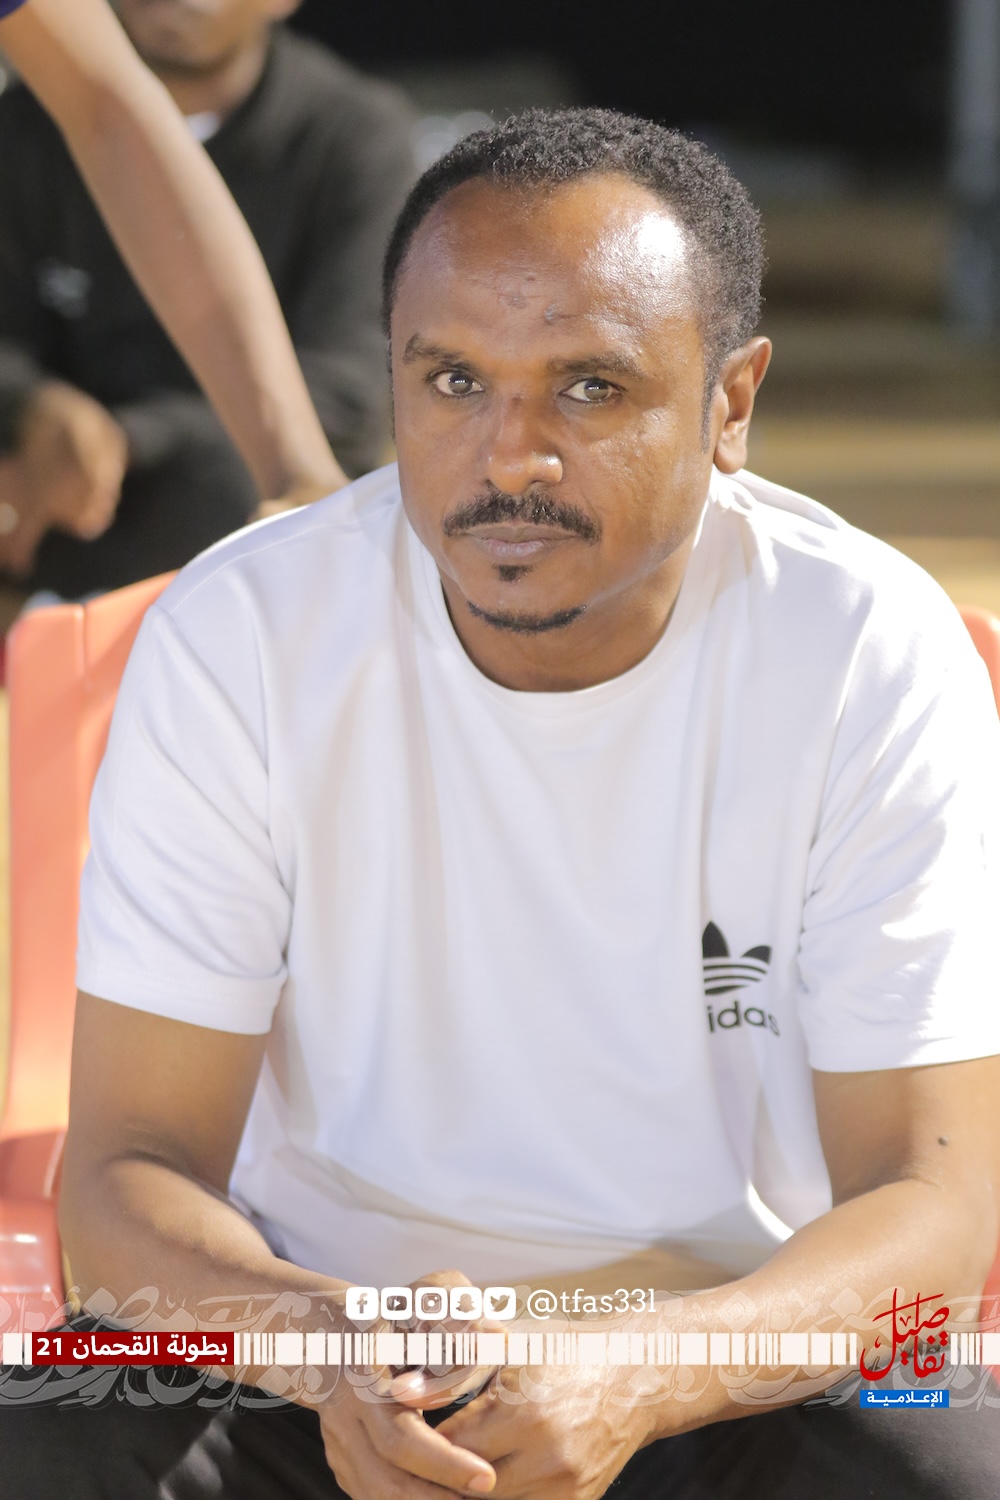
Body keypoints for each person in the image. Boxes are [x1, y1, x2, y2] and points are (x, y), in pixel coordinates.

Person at [6, 109, 1000, 1497]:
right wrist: (340, 1355)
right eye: (455, 380)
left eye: (590, 387)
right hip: (324, 1349)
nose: (509, 453)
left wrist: (638, 1375)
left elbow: (933, 1211)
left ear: (731, 403)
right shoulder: (244, 635)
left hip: (725, 1355)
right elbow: (125, 1182)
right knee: (41, 1434)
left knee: (954, 1457)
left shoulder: (863, 648)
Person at [0, 0, 410, 594]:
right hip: (52, 530)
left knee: (234, 488)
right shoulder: (20, 132)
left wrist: (295, 468)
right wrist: (28, 408)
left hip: (186, 506)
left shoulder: (354, 134)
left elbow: (111, 120)